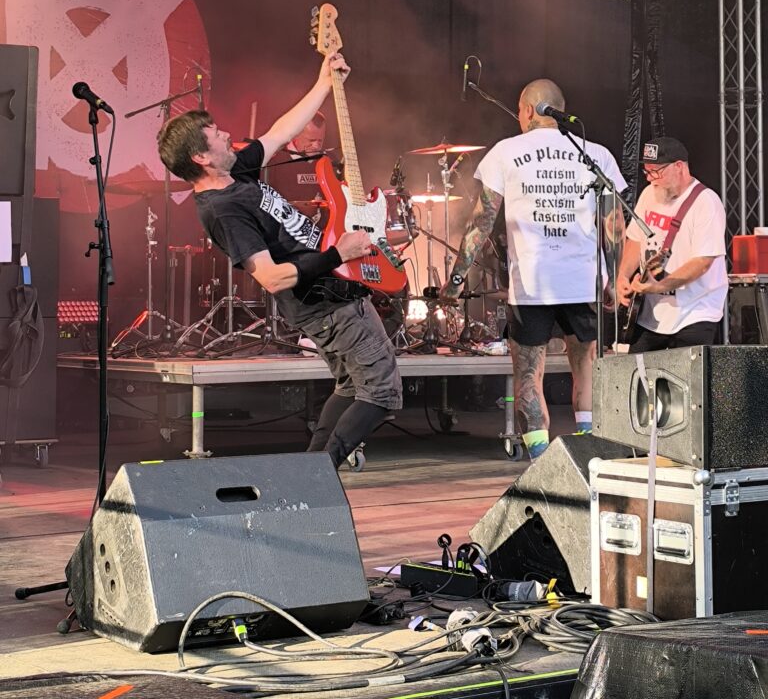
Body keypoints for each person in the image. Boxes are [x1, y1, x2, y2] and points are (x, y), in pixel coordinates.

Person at [157, 52, 402, 468]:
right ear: (201, 158)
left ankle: (310, 474)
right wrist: (338, 254)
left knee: (349, 388)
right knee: (382, 393)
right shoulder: (222, 208)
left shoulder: (236, 173)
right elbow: (271, 277)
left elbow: (279, 131)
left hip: (332, 295)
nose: (227, 134)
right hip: (324, 303)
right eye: (216, 134)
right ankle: (319, 475)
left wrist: (324, 82)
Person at [440, 78, 626, 459]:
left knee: (528, 375)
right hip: (582, 282)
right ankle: (586, 455)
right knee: (586, 367)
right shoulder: (595, 154)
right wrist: (613, 279)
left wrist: (456, 280)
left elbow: (481, 223)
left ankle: (541, 460)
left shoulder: (506, 152)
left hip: (532, 286)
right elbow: (614, 226)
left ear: (527, 111)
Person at [616, 137, 727, 351]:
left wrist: (660, 286)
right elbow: (636, 239)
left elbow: (703, 262)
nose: (650, 179)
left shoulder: (706, 202)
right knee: (638, 370)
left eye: (656, 172)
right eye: (647, 172)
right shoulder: (649, 194)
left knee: (688, 372)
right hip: (651, 312)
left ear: (679, 167)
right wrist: (623, 276)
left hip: (695, 310)